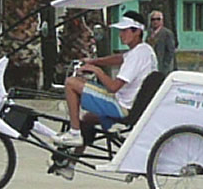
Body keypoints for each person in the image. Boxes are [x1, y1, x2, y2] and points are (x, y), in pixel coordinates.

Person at [52, 14, 155, 148]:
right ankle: (70, 162)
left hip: (121, 106)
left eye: (125, 31)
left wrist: (97, 70)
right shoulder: (144, 50)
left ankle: (74, 132)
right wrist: (93, 61)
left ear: (137, 32)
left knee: (71, 83)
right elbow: (119, 58)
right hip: (130, 105)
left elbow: (113, 87)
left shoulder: (136, 55)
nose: (121, 35)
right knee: (88, 119)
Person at [147, 9, 177, 73]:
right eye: (153, 19)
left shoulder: (167, 33)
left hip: (163, 68)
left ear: (162, 20)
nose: (155, 21)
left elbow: (170, 51)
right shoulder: (150, 33)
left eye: (158, 19)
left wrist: (165, 66)